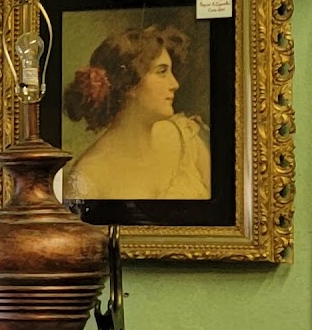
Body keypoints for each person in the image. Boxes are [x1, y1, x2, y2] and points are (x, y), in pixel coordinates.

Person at [62, 23, 211, 199]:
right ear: (130, 83)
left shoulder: (185, 137)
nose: (175, 84)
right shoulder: (88, 177)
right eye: (162, 72)